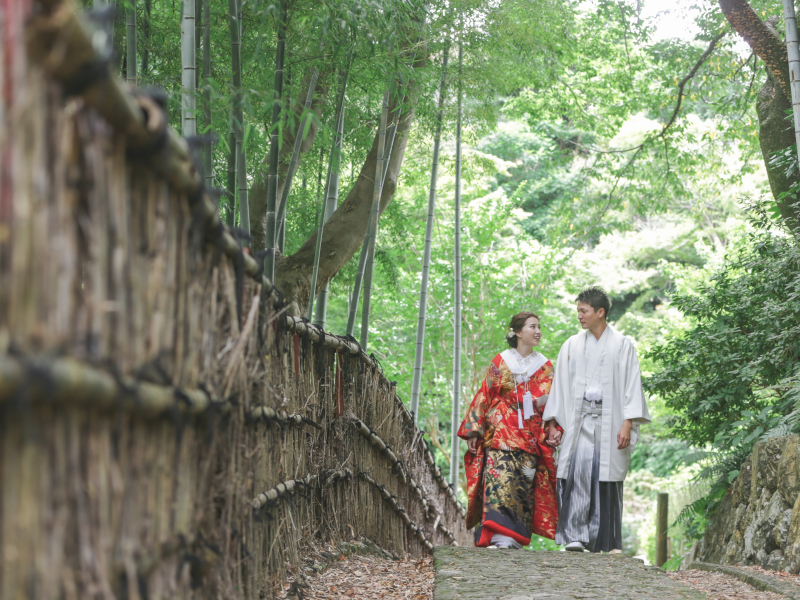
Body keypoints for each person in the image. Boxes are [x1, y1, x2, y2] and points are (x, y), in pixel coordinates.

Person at [542, 287, 650, 553]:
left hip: (610, 420)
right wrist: (554, 421)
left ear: (600, 313)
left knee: (607, 477)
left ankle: (607, 540)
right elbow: (560, 386)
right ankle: (575, 536)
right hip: (579, 420)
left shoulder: (622, 344)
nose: (579, 315)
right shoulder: (572, 345)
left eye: (584, 310)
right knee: (576, 473)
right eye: (578, 310)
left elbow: (631, 385)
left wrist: (627, 422)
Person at [457, 312, 561, 548]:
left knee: (523, 484)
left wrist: (552, 420)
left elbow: (555, 401)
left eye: (539, 327)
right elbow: (485, 394)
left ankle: (513, 537)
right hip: (499, 431)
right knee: (497, 482)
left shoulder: (545, 366)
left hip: (531, 434)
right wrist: (474, 430)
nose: (538, 331)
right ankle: (498, 536)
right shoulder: (501, 360)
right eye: (532, 327)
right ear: (517, 332)